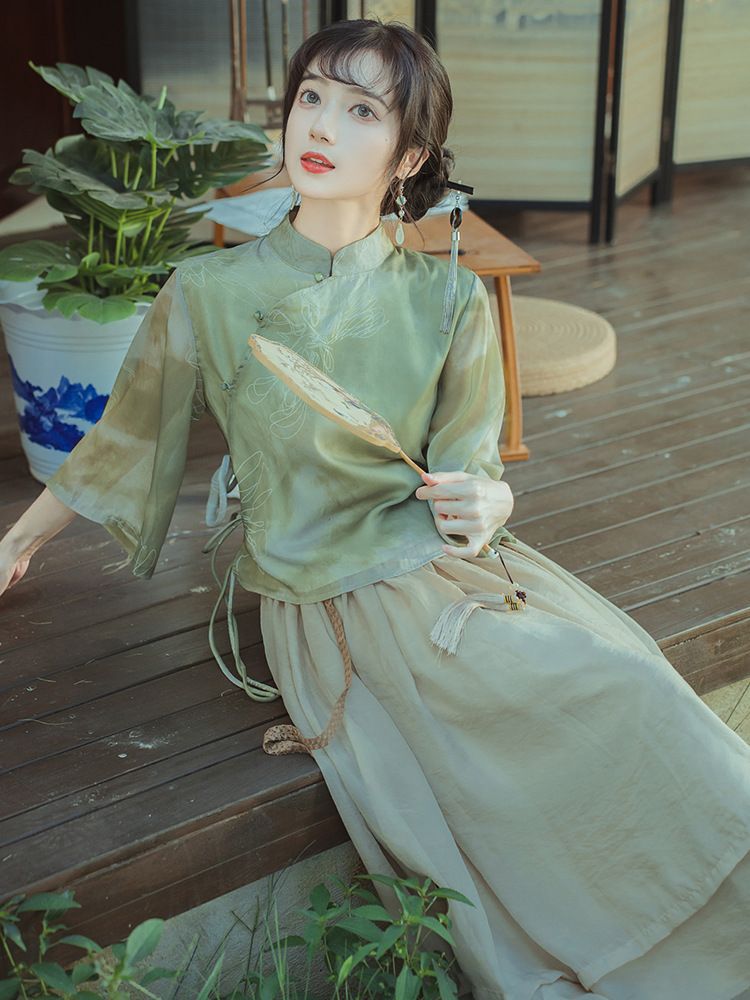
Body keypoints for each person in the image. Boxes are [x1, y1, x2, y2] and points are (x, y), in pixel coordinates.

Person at [2, 18, 749, 1000]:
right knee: (583, 707)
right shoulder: (209, 290)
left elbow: (472, 468)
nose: (320, 125)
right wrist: (17, 539)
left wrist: (486, 499)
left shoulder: (449, 300)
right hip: (333, 606)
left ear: (408, 158)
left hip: (448, 575)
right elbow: (124, 437)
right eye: (311, 97)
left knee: (629, 685)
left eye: (362, 111)